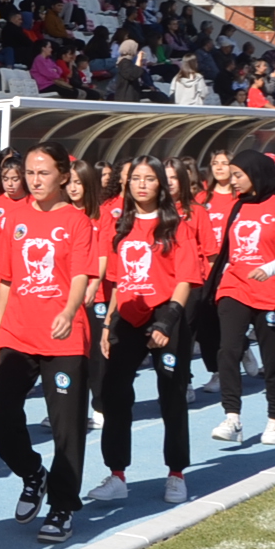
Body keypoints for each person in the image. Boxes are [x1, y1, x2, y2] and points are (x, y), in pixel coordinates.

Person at [0, 143, 95, 544]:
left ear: (63, 176)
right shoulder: (14, 217)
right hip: (18, 333)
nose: (34, 180)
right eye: (30, 172)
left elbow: (81, 275)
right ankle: (33, 473)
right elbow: (6, 281)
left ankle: (62, 506)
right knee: (1, 414)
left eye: (43, 172)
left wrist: (68, 310)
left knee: (66, 428)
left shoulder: (77, 221)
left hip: (64, 338)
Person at [88, 157, 201, 505]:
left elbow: (185, 279)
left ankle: (176, 473)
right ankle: (117, 474)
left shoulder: (176, 225)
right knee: (113, 393)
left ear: (160, 185)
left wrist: (167, 321)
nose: (141, 184)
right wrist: (108, 324)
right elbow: (119, 281)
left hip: (165, 315)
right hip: (127, 317)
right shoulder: (120, 225)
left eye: (149, 178)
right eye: (135, 178)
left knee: (172, 395)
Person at [208, 150, 275, 448]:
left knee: (273, 359)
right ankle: (232, 417)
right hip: (235, 287)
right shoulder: (239, 206)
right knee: (228, 350)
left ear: (256, 174)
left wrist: (269, 268)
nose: (233, 180)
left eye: (238, 175)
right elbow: (229, 249)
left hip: (271, 291)